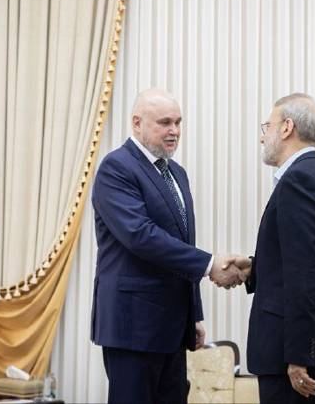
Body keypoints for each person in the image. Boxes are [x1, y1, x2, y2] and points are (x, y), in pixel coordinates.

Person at [90, 88, 244, 403]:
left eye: (178, 122)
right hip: (133, 328)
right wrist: (210, 264)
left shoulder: (177, 173)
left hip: (172, 328)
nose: (174, 131)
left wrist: (194, 314)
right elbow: (140, 235)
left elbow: (182, 245)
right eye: (164, 123)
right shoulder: (116, 167)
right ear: (137, 123)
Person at [232, 93, 315, 404]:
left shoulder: (299, 181)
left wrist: (299, 356)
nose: (263, 137)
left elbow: (306, 276)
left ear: (287, 127)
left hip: (301, 360)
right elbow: (313, 262)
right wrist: (254, 269)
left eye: (267, 126)